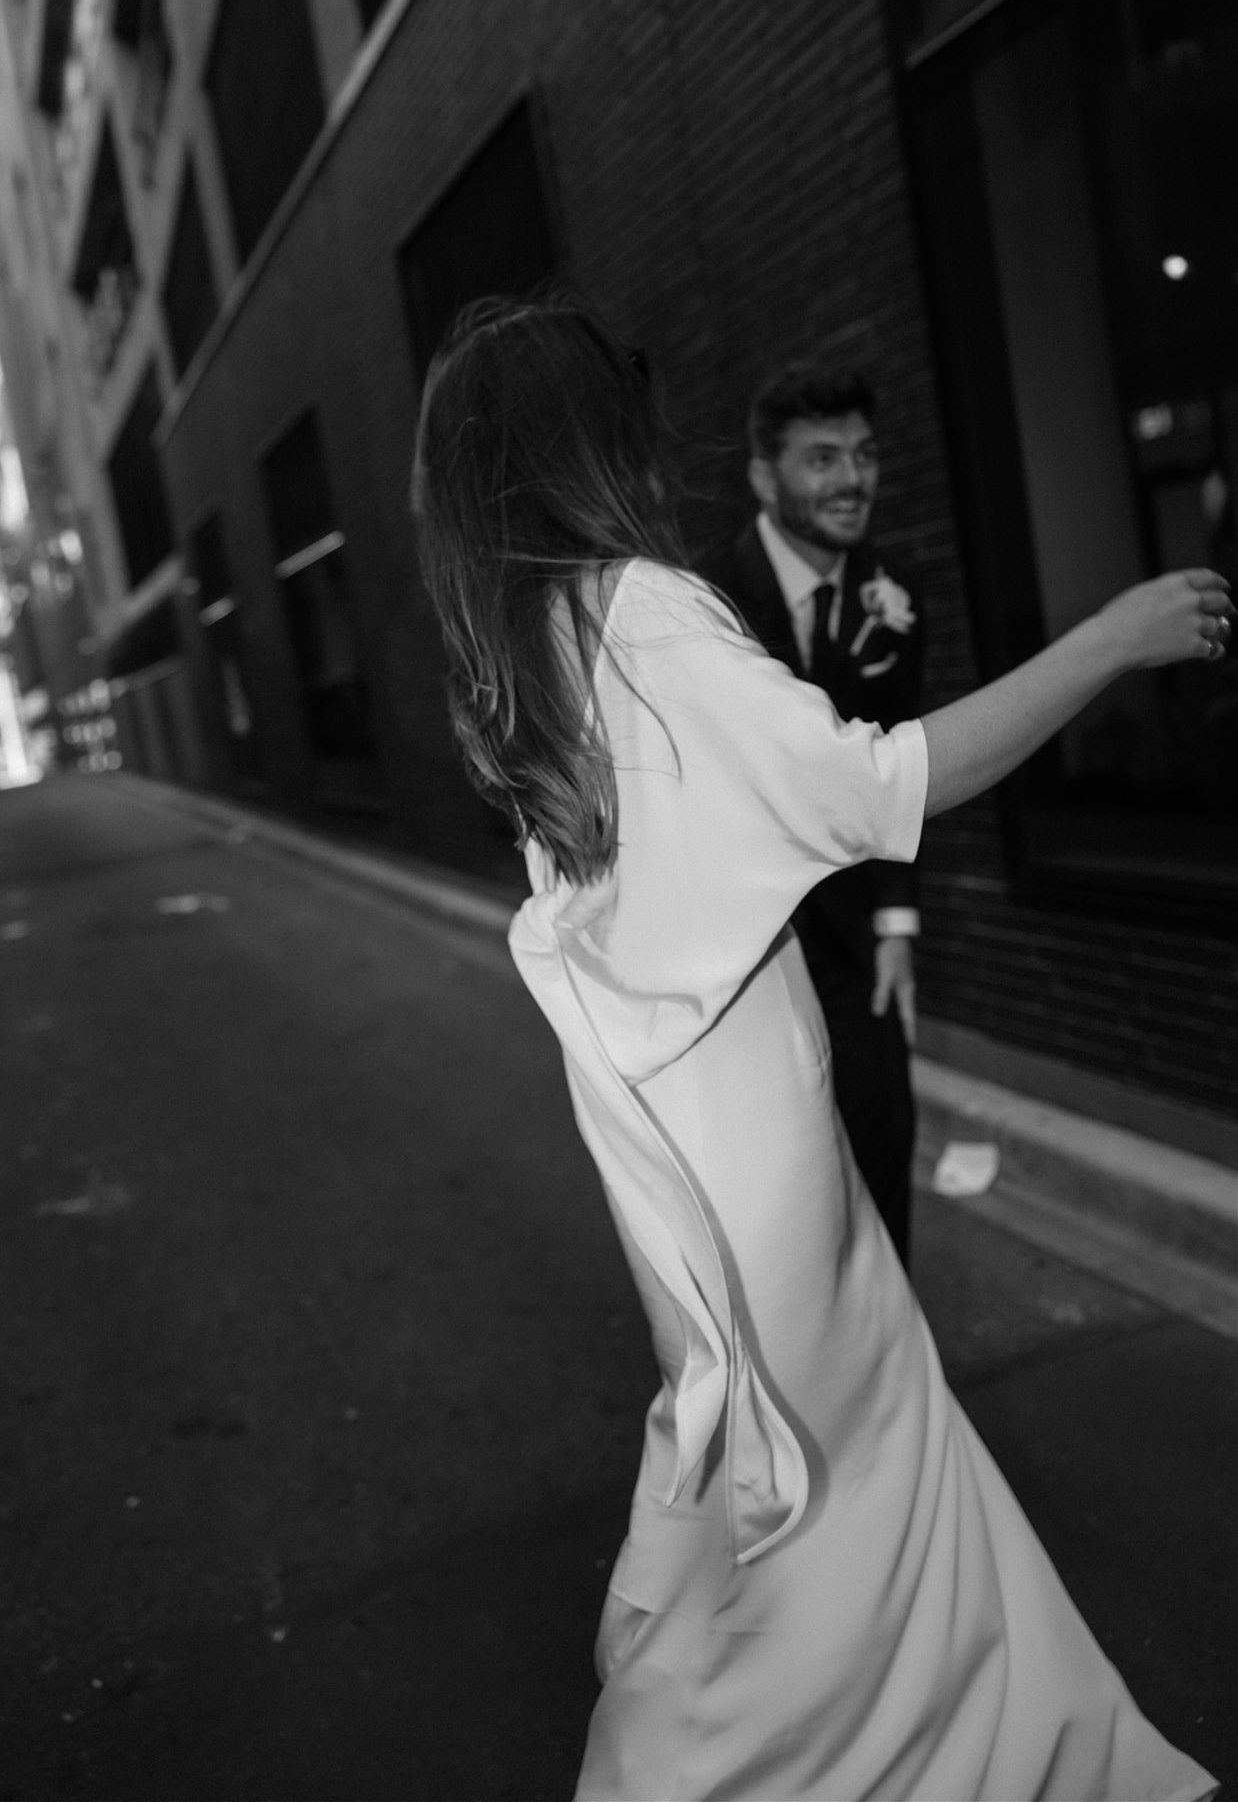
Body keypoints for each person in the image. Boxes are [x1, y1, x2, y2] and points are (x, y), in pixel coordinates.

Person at [411, 293, 1225, 1802]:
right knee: (831, 1491)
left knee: (826, 1464)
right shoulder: (641, 609)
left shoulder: (519, 644)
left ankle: (994, 1736)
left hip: (681, 1125)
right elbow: (877, 787)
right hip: (751, 1129)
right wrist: (1112, 640)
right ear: (581, 440)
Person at [702, 361, 923, 1262]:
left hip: (851, 930)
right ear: (766, 476)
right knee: (774, 1202)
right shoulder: (705, 597)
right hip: (742, 946)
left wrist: (899, 922)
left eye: (864, 455)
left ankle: (894, 1375)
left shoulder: (895, 601)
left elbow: (904, 768)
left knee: (883, 1132)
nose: (852, 480)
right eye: (822, 458)